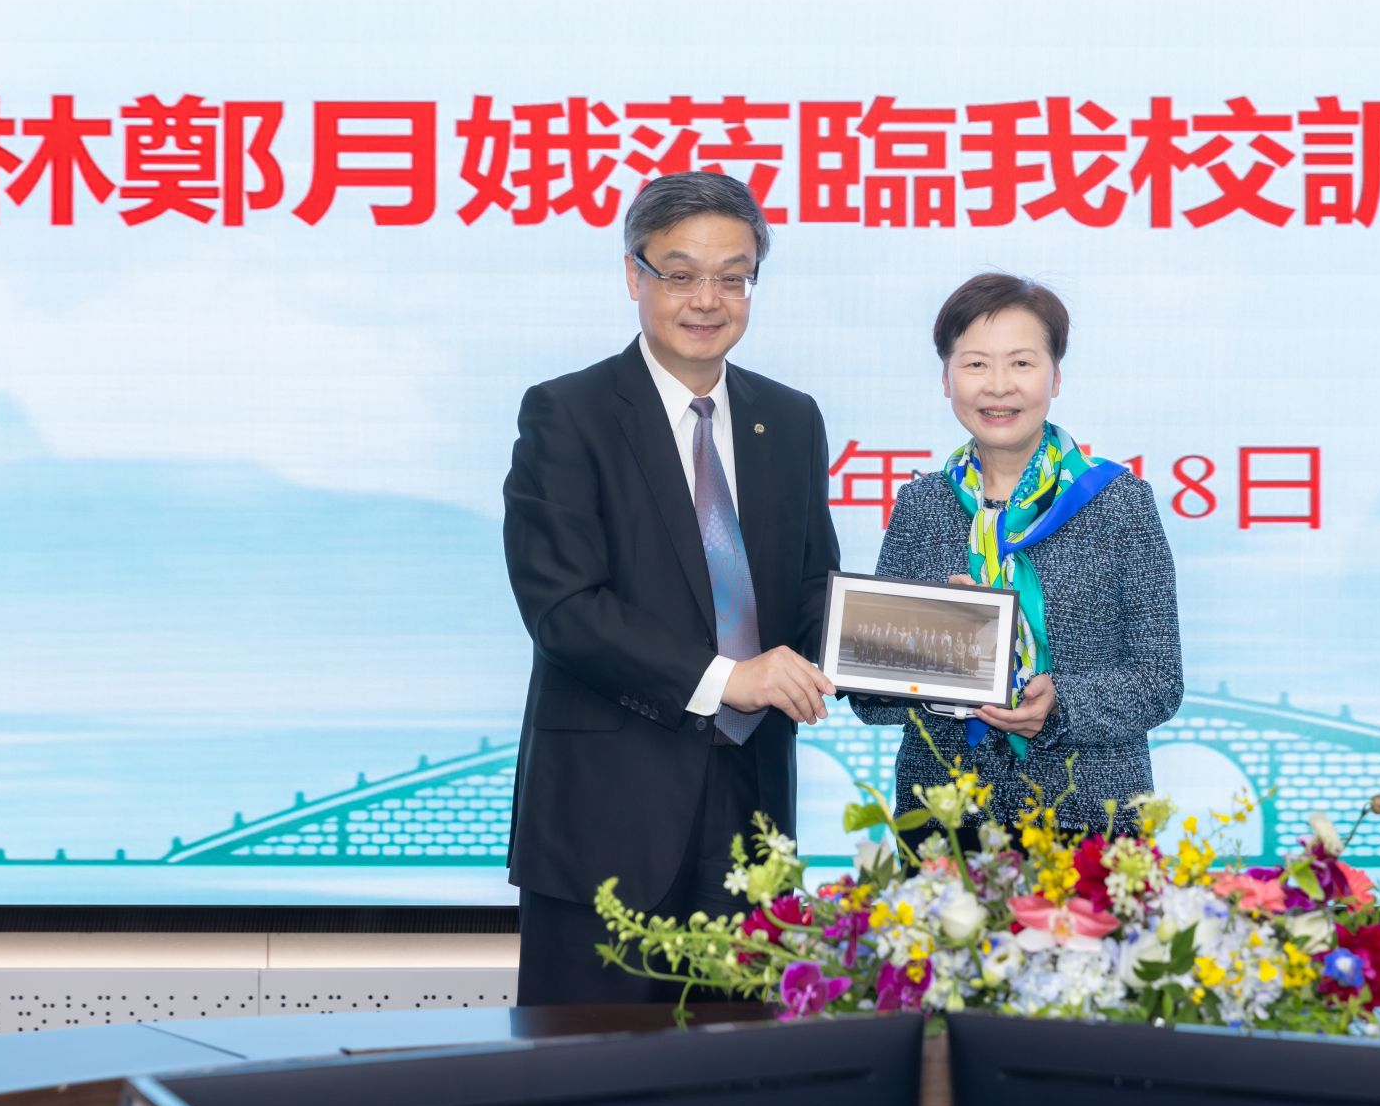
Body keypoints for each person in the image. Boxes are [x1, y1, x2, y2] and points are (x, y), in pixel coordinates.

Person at [502, 172, 840, 1005]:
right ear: (634, 275)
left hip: (752, 814)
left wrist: (921, 642)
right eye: (681, 274)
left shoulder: (790, 418)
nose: (707, 299)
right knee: (589, 1068)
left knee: (743, 1064)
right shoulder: (567, 414)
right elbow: (563, 608)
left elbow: (811, 590)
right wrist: (728, 679)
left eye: (733, 276)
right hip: (604, 824)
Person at [851, 273, 1182, 836]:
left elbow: (1160, 680)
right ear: (946, 378)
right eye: (976, 364)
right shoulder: (921, 505)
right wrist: (942, 645)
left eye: (1022, 363)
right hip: (944, 817)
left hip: (1091, 815)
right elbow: (872, 700)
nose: (998, 386)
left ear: (1056, 377)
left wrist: (1062, 703)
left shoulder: (1118, 502)